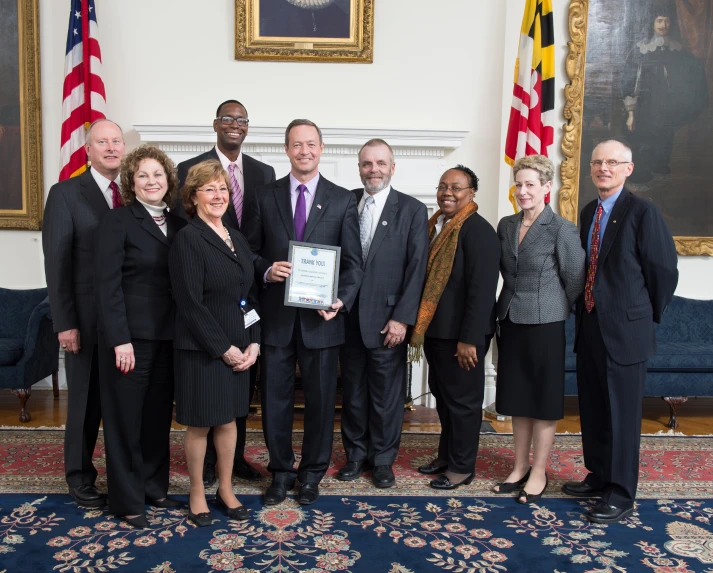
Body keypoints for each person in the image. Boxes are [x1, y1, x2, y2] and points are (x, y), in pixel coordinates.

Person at [242, 119, 363, 506]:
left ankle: (311, 474)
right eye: (297, 145)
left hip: (321, 323)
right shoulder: (264, 195)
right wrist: (266, 268)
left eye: (311, 144)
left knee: (322, 401)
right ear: (287, 149)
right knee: (274, 399)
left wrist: (341, 300)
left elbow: (354, 265)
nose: (304, 151)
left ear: (322, 148)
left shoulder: (343, 199)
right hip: (276, 320)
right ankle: (280, 472)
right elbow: (248, 251)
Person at [562, 140, 678, 523]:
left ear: (629, 168)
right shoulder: (588, 211)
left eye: (613, 162)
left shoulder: (642, 211)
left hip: (626, 331)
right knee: (594, 408)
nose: (603, 168)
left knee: (622, 415)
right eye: (598, 162)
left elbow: (663, 271)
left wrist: (641, 315)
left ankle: (621, 493)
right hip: (591, 325)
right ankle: (599, 476)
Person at [175, 99, 276, 487]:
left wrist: (253, 339)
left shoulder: (263, 173)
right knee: (204, 416)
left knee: (235, 411)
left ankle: (231, 470)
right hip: (206, 319)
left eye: (242, 120)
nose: (235, 125)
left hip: (242, 297)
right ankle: (204, 484)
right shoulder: (189, 173)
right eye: (228, 119)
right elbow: (189, 298)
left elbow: (261, 236)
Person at [94, 145, 186, 528]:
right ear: (132, 182)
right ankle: (127, 499)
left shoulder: (181, 223)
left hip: (170, 338)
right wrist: (120, 339)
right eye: (143, 175)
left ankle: (153, 486)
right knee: (125, 420)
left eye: (158, 174)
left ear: (169, 181)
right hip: (129, 340)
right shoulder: (118, 221)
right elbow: (107, 285)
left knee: (156, 419)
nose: (152, 181)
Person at [169, 160, 261, 526]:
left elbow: (247, 296)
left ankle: (225, 489)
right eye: (209, 189)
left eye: (222, 188)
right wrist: (224, 349)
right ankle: (196, 494)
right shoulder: (188, 238)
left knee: (228, 423)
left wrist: (253, 344)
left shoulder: (236, 238)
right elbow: (190, 304)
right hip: (203, 350)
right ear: (193, 197)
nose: (218, 195)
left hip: (240, 349)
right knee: (202, 425)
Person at [42, 119, 126, 508]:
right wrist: (66, 324)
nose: (110, 148)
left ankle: (124, 476)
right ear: (88, 149)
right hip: (86, 323)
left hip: (127, 321)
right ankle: (79, 477)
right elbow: (57, 265)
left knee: (120, 403)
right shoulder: (65, 194)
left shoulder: (136, 191)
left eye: (116, 141)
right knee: (85, 404)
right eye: (102, 142)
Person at [492, 155, 585, 504]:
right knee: (517, 399)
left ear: (547, 187)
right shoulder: (506, 225)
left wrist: (555, 306)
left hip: (546, 322)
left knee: (542, 401)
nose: (523, 191)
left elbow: (575, 279)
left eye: (531, 184)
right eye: (519, 184)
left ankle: (539, 471)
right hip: (511, 320)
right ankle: (518, 467)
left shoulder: (561, 228)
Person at [337, 139, 428, 488]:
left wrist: (402, 318)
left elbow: (417, 268)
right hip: (346, 318)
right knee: (353, 394)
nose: (373, 170)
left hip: (388, 320)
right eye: (366, 164)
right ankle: (356, 456)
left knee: (386, 397)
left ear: (392, 167)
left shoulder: (412, 210)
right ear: (359, 167)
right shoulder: (345, 202)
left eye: (380, 163)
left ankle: (383, 460)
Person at [410, 165, 500, 490]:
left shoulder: (478, 231)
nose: (448, 192)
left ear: (472, 192)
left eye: (457, 187)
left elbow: (482, 290)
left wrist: (470, 339)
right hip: (437, 332)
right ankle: (447, 455)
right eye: (443, 186)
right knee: (444, 399)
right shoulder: (436, 227)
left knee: (463, 404)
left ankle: (462, 468)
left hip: (462, 338)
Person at [621, 4, 708, 183]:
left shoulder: (678, 51)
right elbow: (631, 81)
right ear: (652, 23)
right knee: (643, 142)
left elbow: (691, 72)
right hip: (645, 109)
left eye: (667, 21)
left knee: (664, 140)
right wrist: (631, 113)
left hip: (668, 109)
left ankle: (660, 174)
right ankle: (641, 176)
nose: (663, 25)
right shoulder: (641, 50)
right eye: (659, 21)